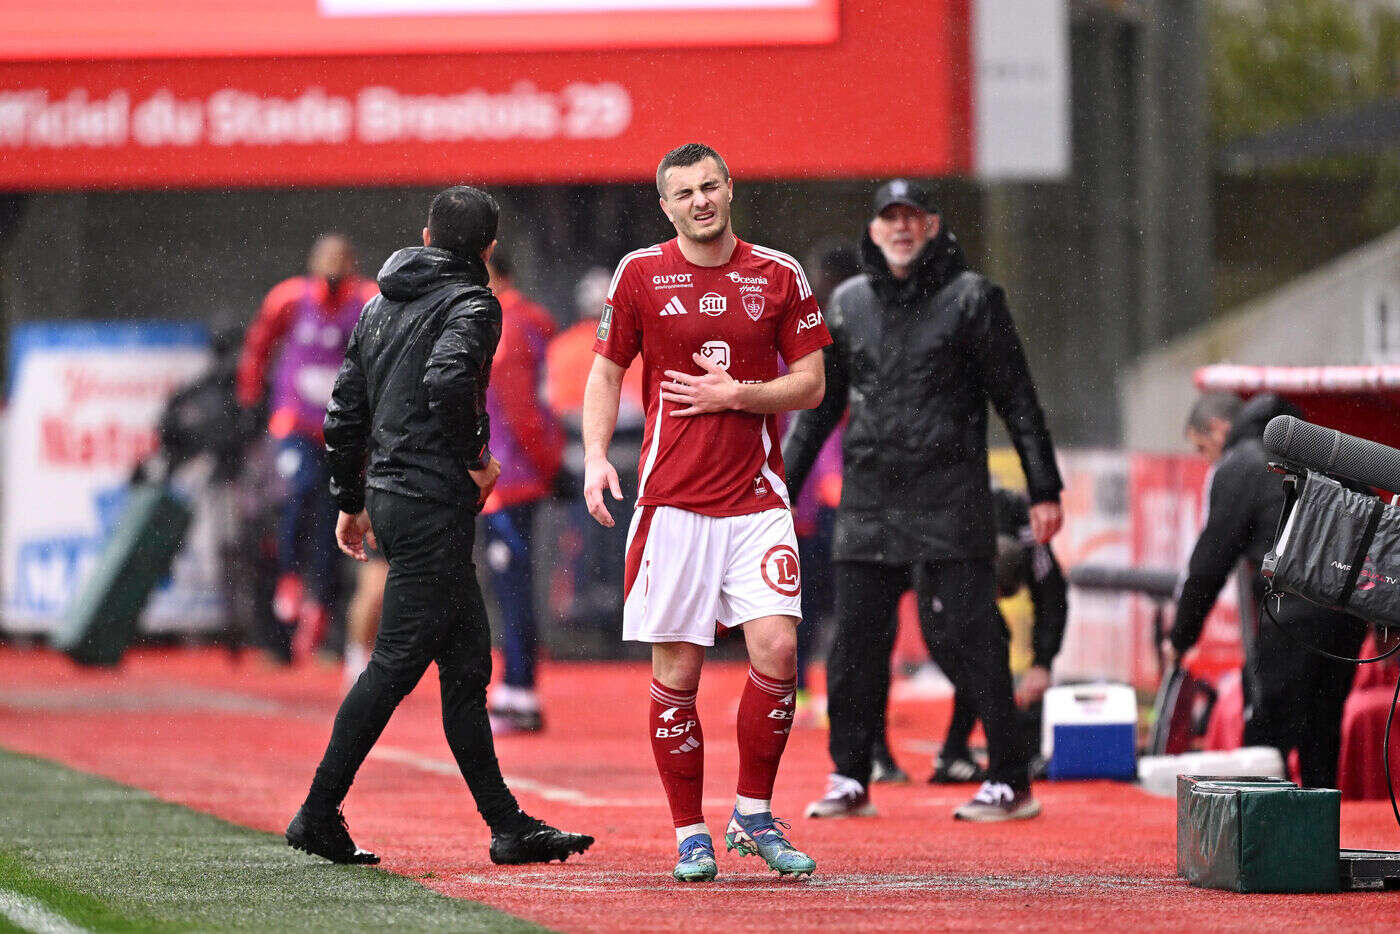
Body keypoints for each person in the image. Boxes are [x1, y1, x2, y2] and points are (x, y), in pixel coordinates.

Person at [285, 186, 592, 867]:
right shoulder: (474, 303)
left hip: (395, 495)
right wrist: (478, 459)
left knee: (465, 667)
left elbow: (344, 411)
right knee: (395, 666)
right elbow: (450, 381)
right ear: (486, 248)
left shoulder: (380, 302)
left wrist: (349, 496)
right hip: (432, 502)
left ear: (426, 235)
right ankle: (316, 812)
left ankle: (507, 824)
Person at [582, 143, 830, 882]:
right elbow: (606, 370)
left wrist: (740, 395)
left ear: (730, 188)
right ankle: (690, 832)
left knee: (779, 653)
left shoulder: (778, 273)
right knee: (678, 674)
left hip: (756, 499)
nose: (700, 200)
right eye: (684, 192)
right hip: (673, 504)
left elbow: (813, 384)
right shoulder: (640, 273)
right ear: (666, 205)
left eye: (710, 185)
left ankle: (753, 813)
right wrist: (598, 456)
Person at [784, 179, 1063, 822]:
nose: (901, 228)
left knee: (974, 638)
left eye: (912, 217)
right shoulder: (848, 304)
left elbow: (1019, 402)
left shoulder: (974, 300)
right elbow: (816, 413)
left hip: (952, 498)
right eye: (889, 218)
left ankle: (1010, 779)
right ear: (874, 230)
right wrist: (782, 494)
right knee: (853, 645)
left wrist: (1044, 488)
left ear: (933, 225)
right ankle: (850, 775)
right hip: (869, 499)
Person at [1162, 392, 1366, 788]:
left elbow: (1208, 565)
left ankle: (1261, 844)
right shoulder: (1317, 447)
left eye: (1203, 448)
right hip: (1348, 615)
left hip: (1294, 617)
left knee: (1265, 743)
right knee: (1320, 737)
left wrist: (1180, 637)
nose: (1207, 460)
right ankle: (1319, 841)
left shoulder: (1242, 464)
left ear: (1221, 429)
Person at [237, 235, 378, 661]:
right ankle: (289, 577)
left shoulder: (368, 300)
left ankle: (319, 596)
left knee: (332, 512)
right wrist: (249, 398)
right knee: (296, 490)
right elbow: (259, 345)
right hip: (295, 419)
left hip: (341, 425)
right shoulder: (289, 298)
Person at [923, 487, 1068, 783]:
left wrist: (1042, 663)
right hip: (928, 570)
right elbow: (932, 603)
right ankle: (885, 753)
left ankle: (978, 751)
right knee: (975, 668)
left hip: (973, 547)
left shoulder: (1026, 530)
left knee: (990, 651)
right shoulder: (947, 539)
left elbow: (1052, 596)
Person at [480, 250, 564, 733]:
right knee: (511, 585)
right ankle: (517, 686)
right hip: (513, 472)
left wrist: (543, 465)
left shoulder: (507, 324)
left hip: (509, 477)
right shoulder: (522, 320)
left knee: (511, 586)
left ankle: (519, 691)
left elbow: (520, 408)